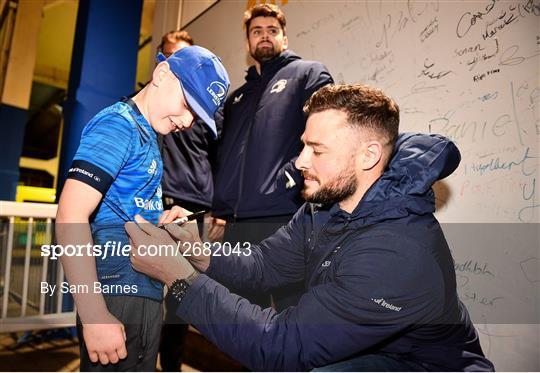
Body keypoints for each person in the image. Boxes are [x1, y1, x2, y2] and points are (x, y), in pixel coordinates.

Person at [126, 84, 495, 371]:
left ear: (368, 155)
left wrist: (177, 279)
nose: (300, 161)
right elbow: (263, 265)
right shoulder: (323, 206)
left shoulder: (397, 253)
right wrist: (198, 253)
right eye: (303, 145)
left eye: (317, 150)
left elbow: (281, 346)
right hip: (369, 351)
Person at [55, 46, 229, 371]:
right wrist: (93, 314)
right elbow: (70, 214)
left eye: (198, 115)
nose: (188, 121)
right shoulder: (118, 125)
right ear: (161, 74)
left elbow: (123, 209)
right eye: (187, 104)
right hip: (116, 294)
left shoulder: (148, 135)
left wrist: (162, 224)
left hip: (144, 292)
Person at [212, 3, 333, 309]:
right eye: (256, 31)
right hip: (236, 225)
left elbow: (330, 127)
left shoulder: (307, 73)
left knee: (292, 313)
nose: (264, 36)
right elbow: (224, 155)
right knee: (241, 319)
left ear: (284, 38)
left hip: (283, 216)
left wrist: (291, 175)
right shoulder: (236, 98)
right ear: (248, 42)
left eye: (272, 30)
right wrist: (220, 205)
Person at [156, 30, 220, 372]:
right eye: (175, 58)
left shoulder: (208, 108)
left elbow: (220, 157)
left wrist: (218, 209)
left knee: (181, 297)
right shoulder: (144, 103)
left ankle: (170, 366)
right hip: (152, 207)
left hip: (192, 208)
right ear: (161, 64)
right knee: (144, 289)